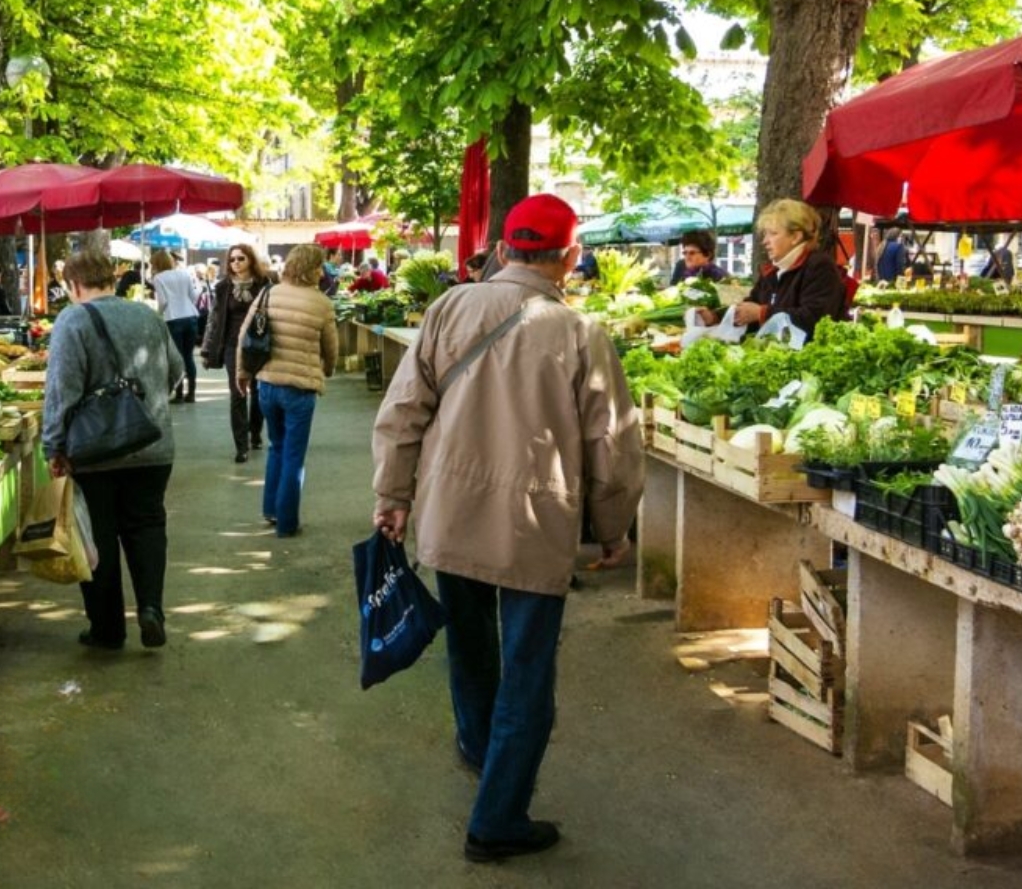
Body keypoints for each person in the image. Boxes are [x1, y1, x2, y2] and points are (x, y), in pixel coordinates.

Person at [370, 193, 644, 863]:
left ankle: (476, 742)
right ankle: (498, 818)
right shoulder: (581, 334)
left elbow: (404, 409)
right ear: (571, 259)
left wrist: (392, 494)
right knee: (528, 672)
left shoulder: (448, 308)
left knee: (469, 644)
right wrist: (612, 529)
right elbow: (614, 445)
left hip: (451, 512)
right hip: (533, 524)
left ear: (501, 250)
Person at [43, 249, 184, 651]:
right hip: (153, 443)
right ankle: (152, 609)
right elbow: (175, 370)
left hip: (95, 450)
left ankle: (107, 629)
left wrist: (53, 445)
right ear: (111, 277)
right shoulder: (147, 315)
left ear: (72, 284)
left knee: (97, 536)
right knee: (147, 525)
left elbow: (62, 390)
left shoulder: (72, 320)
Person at [235, 244, 336, 537]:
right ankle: (288, 523)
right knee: (294, 455)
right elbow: (331, 347)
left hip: (267, 385)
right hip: (300, 390)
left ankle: (271, 510)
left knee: (276, 448)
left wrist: (243, 373)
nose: (322, 271)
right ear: (312, 269)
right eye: (320, 266)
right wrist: (326, 370)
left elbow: (245, 334)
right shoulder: (321, 303)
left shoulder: (269, 293)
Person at [694, 199, 848, 337]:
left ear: (796, 237)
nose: (765, 241)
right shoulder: (773, 272)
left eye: (772, 234)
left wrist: (762, 313)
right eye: (765, 234)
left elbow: (815, 318)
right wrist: (715, 317)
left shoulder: (819, 266)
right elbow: (750, 307)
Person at [202, 243, 272, 463]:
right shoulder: (223, 287)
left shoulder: (264, 284)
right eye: (232, 260)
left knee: (259, 392)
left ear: (250, 259)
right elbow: (213, 319)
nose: (236, 263)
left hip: (259, 344)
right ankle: (241, 446)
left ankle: (255, 432)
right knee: (237, 393)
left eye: (240, 258)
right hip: (232, 345)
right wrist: (207, 349)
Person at [150, 248, 201, 404]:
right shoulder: (184, 274)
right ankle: (191, 393)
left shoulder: (158, 278)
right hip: (191, 317)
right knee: (188, 356)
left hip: (173, 319)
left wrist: (158, 315)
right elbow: (193, 296)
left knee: (176, 358)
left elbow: (163, 302)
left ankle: (179, 394)